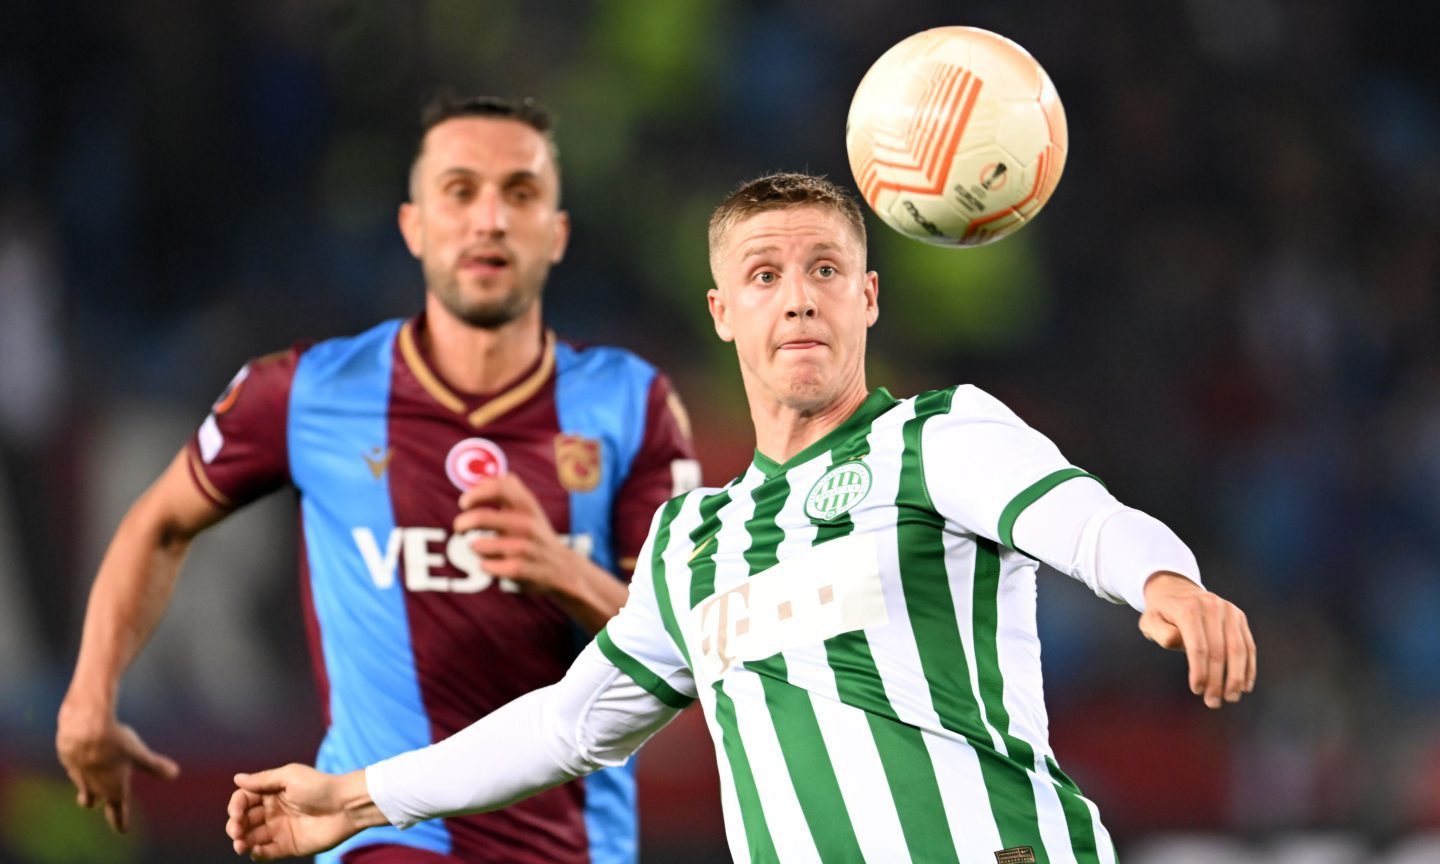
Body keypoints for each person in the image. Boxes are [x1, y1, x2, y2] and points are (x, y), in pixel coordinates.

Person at [224, 172, 1257, 864]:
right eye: (765, 275)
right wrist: (355, 797)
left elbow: (1083, 516)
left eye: (823, 272)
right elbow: (570, 722)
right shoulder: (690, 541)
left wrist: (1163, 580)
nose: (798, 299)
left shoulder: (937, 439)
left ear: (868, 299)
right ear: (724, 314)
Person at [57, 94, 699, 864]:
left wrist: (560, 570)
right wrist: (90, 696)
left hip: (577, 845)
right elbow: (160, 522)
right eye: (460, 191)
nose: (489, 219)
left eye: (519, 194)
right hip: (379, 834)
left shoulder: (631, 403)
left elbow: (684, 646)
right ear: (414, 227)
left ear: (556, 233)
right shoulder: (308, 391)